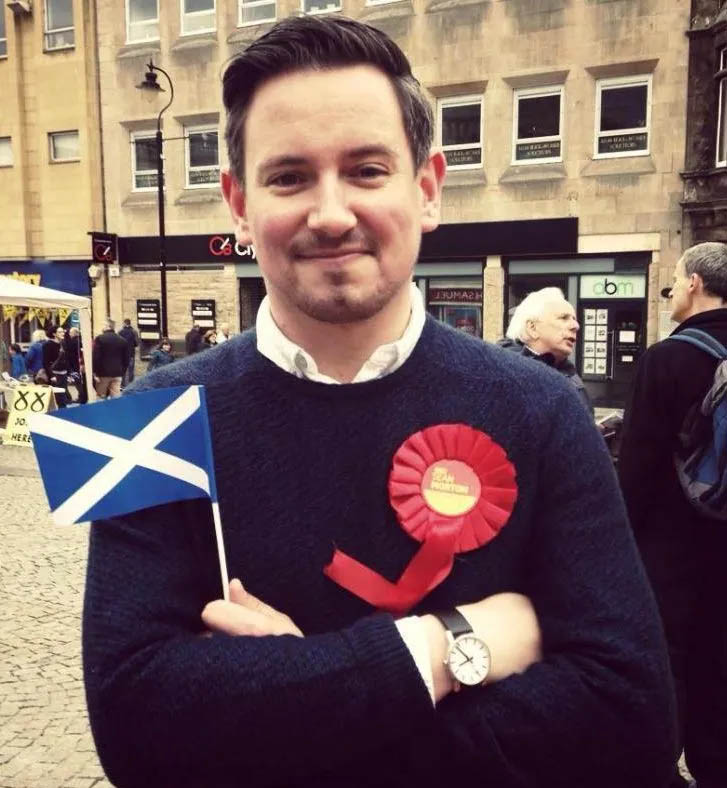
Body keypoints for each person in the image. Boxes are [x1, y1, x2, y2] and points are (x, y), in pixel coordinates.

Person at [83, 17, 675, 788]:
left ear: (425, 188)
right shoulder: (152, 415)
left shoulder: (542, 410)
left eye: (365, 169)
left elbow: (631, 720)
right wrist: (443, 651)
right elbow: (134, 731)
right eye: (289, 177)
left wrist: (289, 707)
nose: (330, 214)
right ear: (236, 202)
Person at [619, 241, 727, 788]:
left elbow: (637, 464)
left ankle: (665, 766)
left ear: (692, 284)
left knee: (671, 654)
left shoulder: (668, 358)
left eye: (673, 284)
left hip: (675, 544)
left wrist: (621, 541)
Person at [498, 287, 592, 413]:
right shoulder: (506, 376)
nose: (576, 326)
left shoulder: (568, 372)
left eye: (574, 319)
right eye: (564, 318)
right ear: (532, 328)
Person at [92, 318, 129, 399]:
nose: (102, 327)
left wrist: (95, 372)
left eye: (103, 325)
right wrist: (122, 371)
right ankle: (116, 411)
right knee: (116, 397)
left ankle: (101, 411)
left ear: (107, 326)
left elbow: (96, 357)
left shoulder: (100, 339)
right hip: (117, 373)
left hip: (103, 373)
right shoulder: (122, 340)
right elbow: (126, 359)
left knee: (101, 396)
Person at [118, 318, 139, 388]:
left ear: (124, 323)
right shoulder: (134, 332)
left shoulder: (120, 332)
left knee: (123, 370)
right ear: (130, 323)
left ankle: (122, 385)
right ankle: (130, 384)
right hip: (131, 354)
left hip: (122, 354)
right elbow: (137, 343)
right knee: (131, 370)